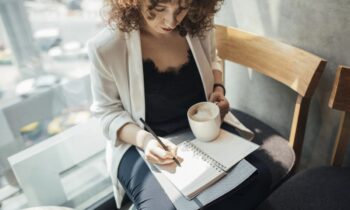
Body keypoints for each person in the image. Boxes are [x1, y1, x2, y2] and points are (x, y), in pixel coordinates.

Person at [88, 0, 270, 209]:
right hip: (143, 140)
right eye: (159, 9)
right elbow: (106, 113)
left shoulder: (197, 21)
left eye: (182, 8)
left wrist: (218, 88)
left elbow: (212, 58)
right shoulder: (106, 48)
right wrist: (145, 140)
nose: (172, 20)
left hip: (200, 128)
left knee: (259, 178)